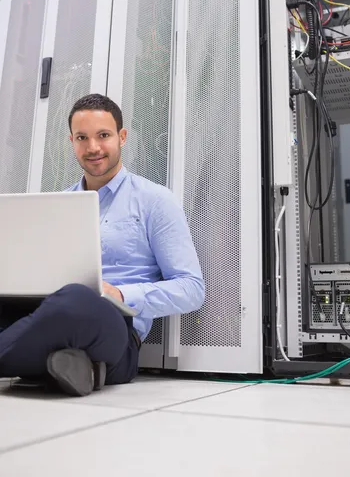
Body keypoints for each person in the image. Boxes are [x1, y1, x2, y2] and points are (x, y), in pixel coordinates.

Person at [0, 94, 204, 396]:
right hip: (50, 312)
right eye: (82, 137)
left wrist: (119, 293)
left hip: (114, 329)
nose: (93, 147)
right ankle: (65, 365)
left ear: (122, 137)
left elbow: (192, 289)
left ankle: (45, 363)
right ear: (72, 141)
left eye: (103, 136)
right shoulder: (57, 205)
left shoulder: (155, 201)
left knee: (76, 300)